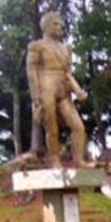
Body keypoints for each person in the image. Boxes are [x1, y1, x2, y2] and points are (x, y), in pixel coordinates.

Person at [26, 11, 90, 168]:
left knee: (78, 127)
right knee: (52, 128)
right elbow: (31, 72)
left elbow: (68, 73)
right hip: (46, 89)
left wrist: (77, 90)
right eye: (55, 23)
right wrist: (36, 98)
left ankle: (79, 160)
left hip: (63, 91)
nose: (60, 26)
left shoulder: (66, 49)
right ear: (46, 26)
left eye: (61, 23)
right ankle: (54, 159)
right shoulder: (37, 46)